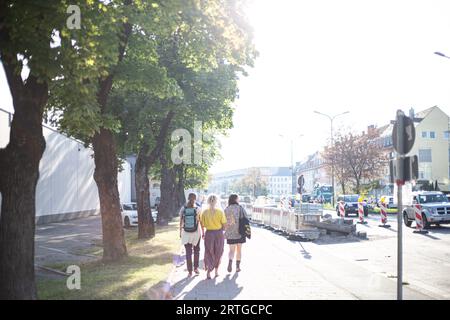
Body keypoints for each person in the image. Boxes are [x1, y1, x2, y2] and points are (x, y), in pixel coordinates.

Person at [200, 194, 227, 279]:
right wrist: (224, 231)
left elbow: (202, 224)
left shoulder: (204, 212)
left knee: (209, 252)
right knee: (218, 252)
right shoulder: (220, 212)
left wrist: (203, 233)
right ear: (216, 201)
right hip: (218, 234)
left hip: (209, 234)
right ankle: (216, 271)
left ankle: (208, 272)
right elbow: (224, 224)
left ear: (208, 201)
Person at [179, 193, 203, 277]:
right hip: (196, 232)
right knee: (197, 250)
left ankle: (189, 271)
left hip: (186, 233)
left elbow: (181, 221)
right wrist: (203, 232)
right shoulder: (198, 209)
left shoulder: (183, 208)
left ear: (188, 198)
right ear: (195, 199)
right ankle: (196, 268)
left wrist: (180, 232)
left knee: (188, 252)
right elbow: (201, 221)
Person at [224, 194, 248, 273]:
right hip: (240, 232)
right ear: (236, 199)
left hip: (230, 233)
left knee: (231, 250)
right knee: (239, 250)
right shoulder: (241, 208)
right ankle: (237, 267)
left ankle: (230, 262)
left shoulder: (226, 209)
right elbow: (246, 219)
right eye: (238, 199)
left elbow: (224, 221)